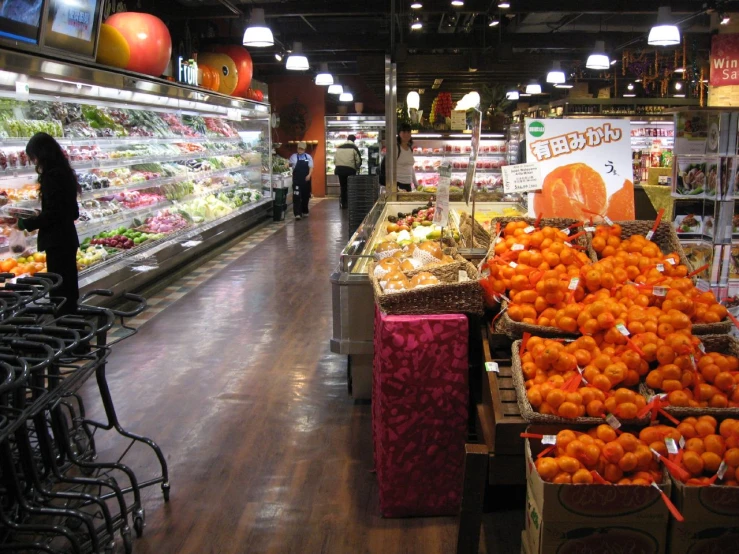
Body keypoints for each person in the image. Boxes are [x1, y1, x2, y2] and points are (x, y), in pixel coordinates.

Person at [17, 132, 81, 315]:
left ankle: (65, 332)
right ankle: (75, 328)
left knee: (59, 291)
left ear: (41, 154)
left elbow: (53, 214)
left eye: (34, 157)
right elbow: (71, 211)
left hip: (57, 242)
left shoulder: (51, 177)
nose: (35, 162)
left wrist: (26, 223)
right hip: (68, 238)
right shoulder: (65, 173)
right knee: (68, 288)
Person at [333, 134, 361, 208]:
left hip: (340, 169)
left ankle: (343, 203)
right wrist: (357, 167)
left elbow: (334, 160)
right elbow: (358, 160)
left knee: (343, 186)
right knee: (350, 186)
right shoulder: (354, 148)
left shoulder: (339, 147)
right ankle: (350, 202)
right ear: (354, 140)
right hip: (350, 169)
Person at [289, 141, 313, 220]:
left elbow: (311, 167)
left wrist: (309, 175)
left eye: (302, 149)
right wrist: (287, 165)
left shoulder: (308, 157)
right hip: (297, 180)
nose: (300, 150)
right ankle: (297, 214)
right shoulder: (293, 156)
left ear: (305, 149)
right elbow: (290, 165)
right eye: (299, 149)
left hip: (306, 179)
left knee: (305, 196)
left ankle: (305, 211)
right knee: (297, 196)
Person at [396, 123, 417, 191]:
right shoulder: (396, 148)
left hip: (408, 184)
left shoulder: (410, 148)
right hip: (398, 185)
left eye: (408, 132)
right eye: (404, 132)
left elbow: (410, 168)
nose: (406, 134)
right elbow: (390, 168)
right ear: (399, 133)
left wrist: (416, 184)